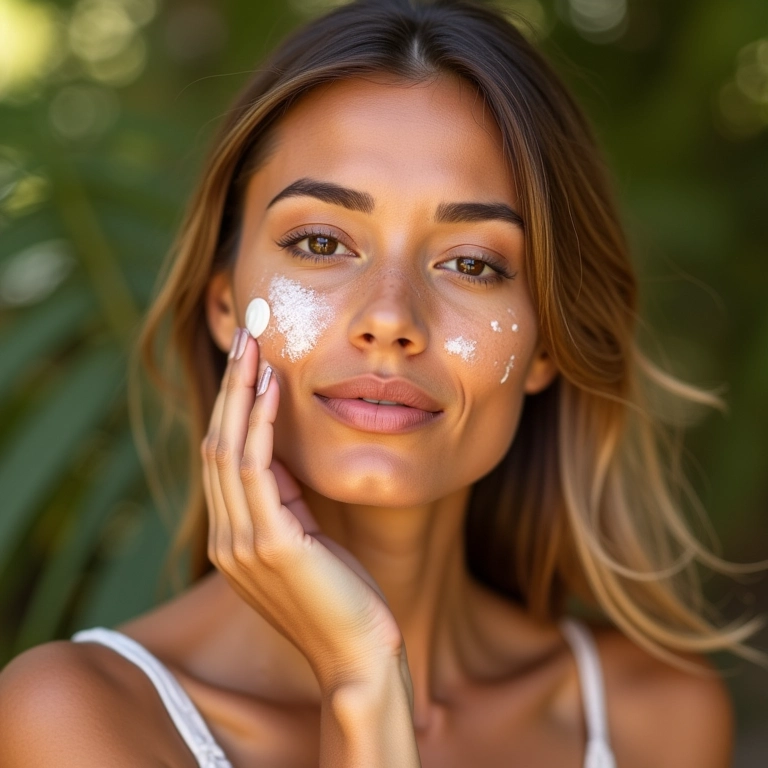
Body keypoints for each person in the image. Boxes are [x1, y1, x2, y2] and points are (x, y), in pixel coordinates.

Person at [0, 0, 764, 765]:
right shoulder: (78, 722)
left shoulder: (655, 720)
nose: (391, 317)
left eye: (472, 263)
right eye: (323, 242)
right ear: (226, 304)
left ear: (545, 347)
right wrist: (361, 682)